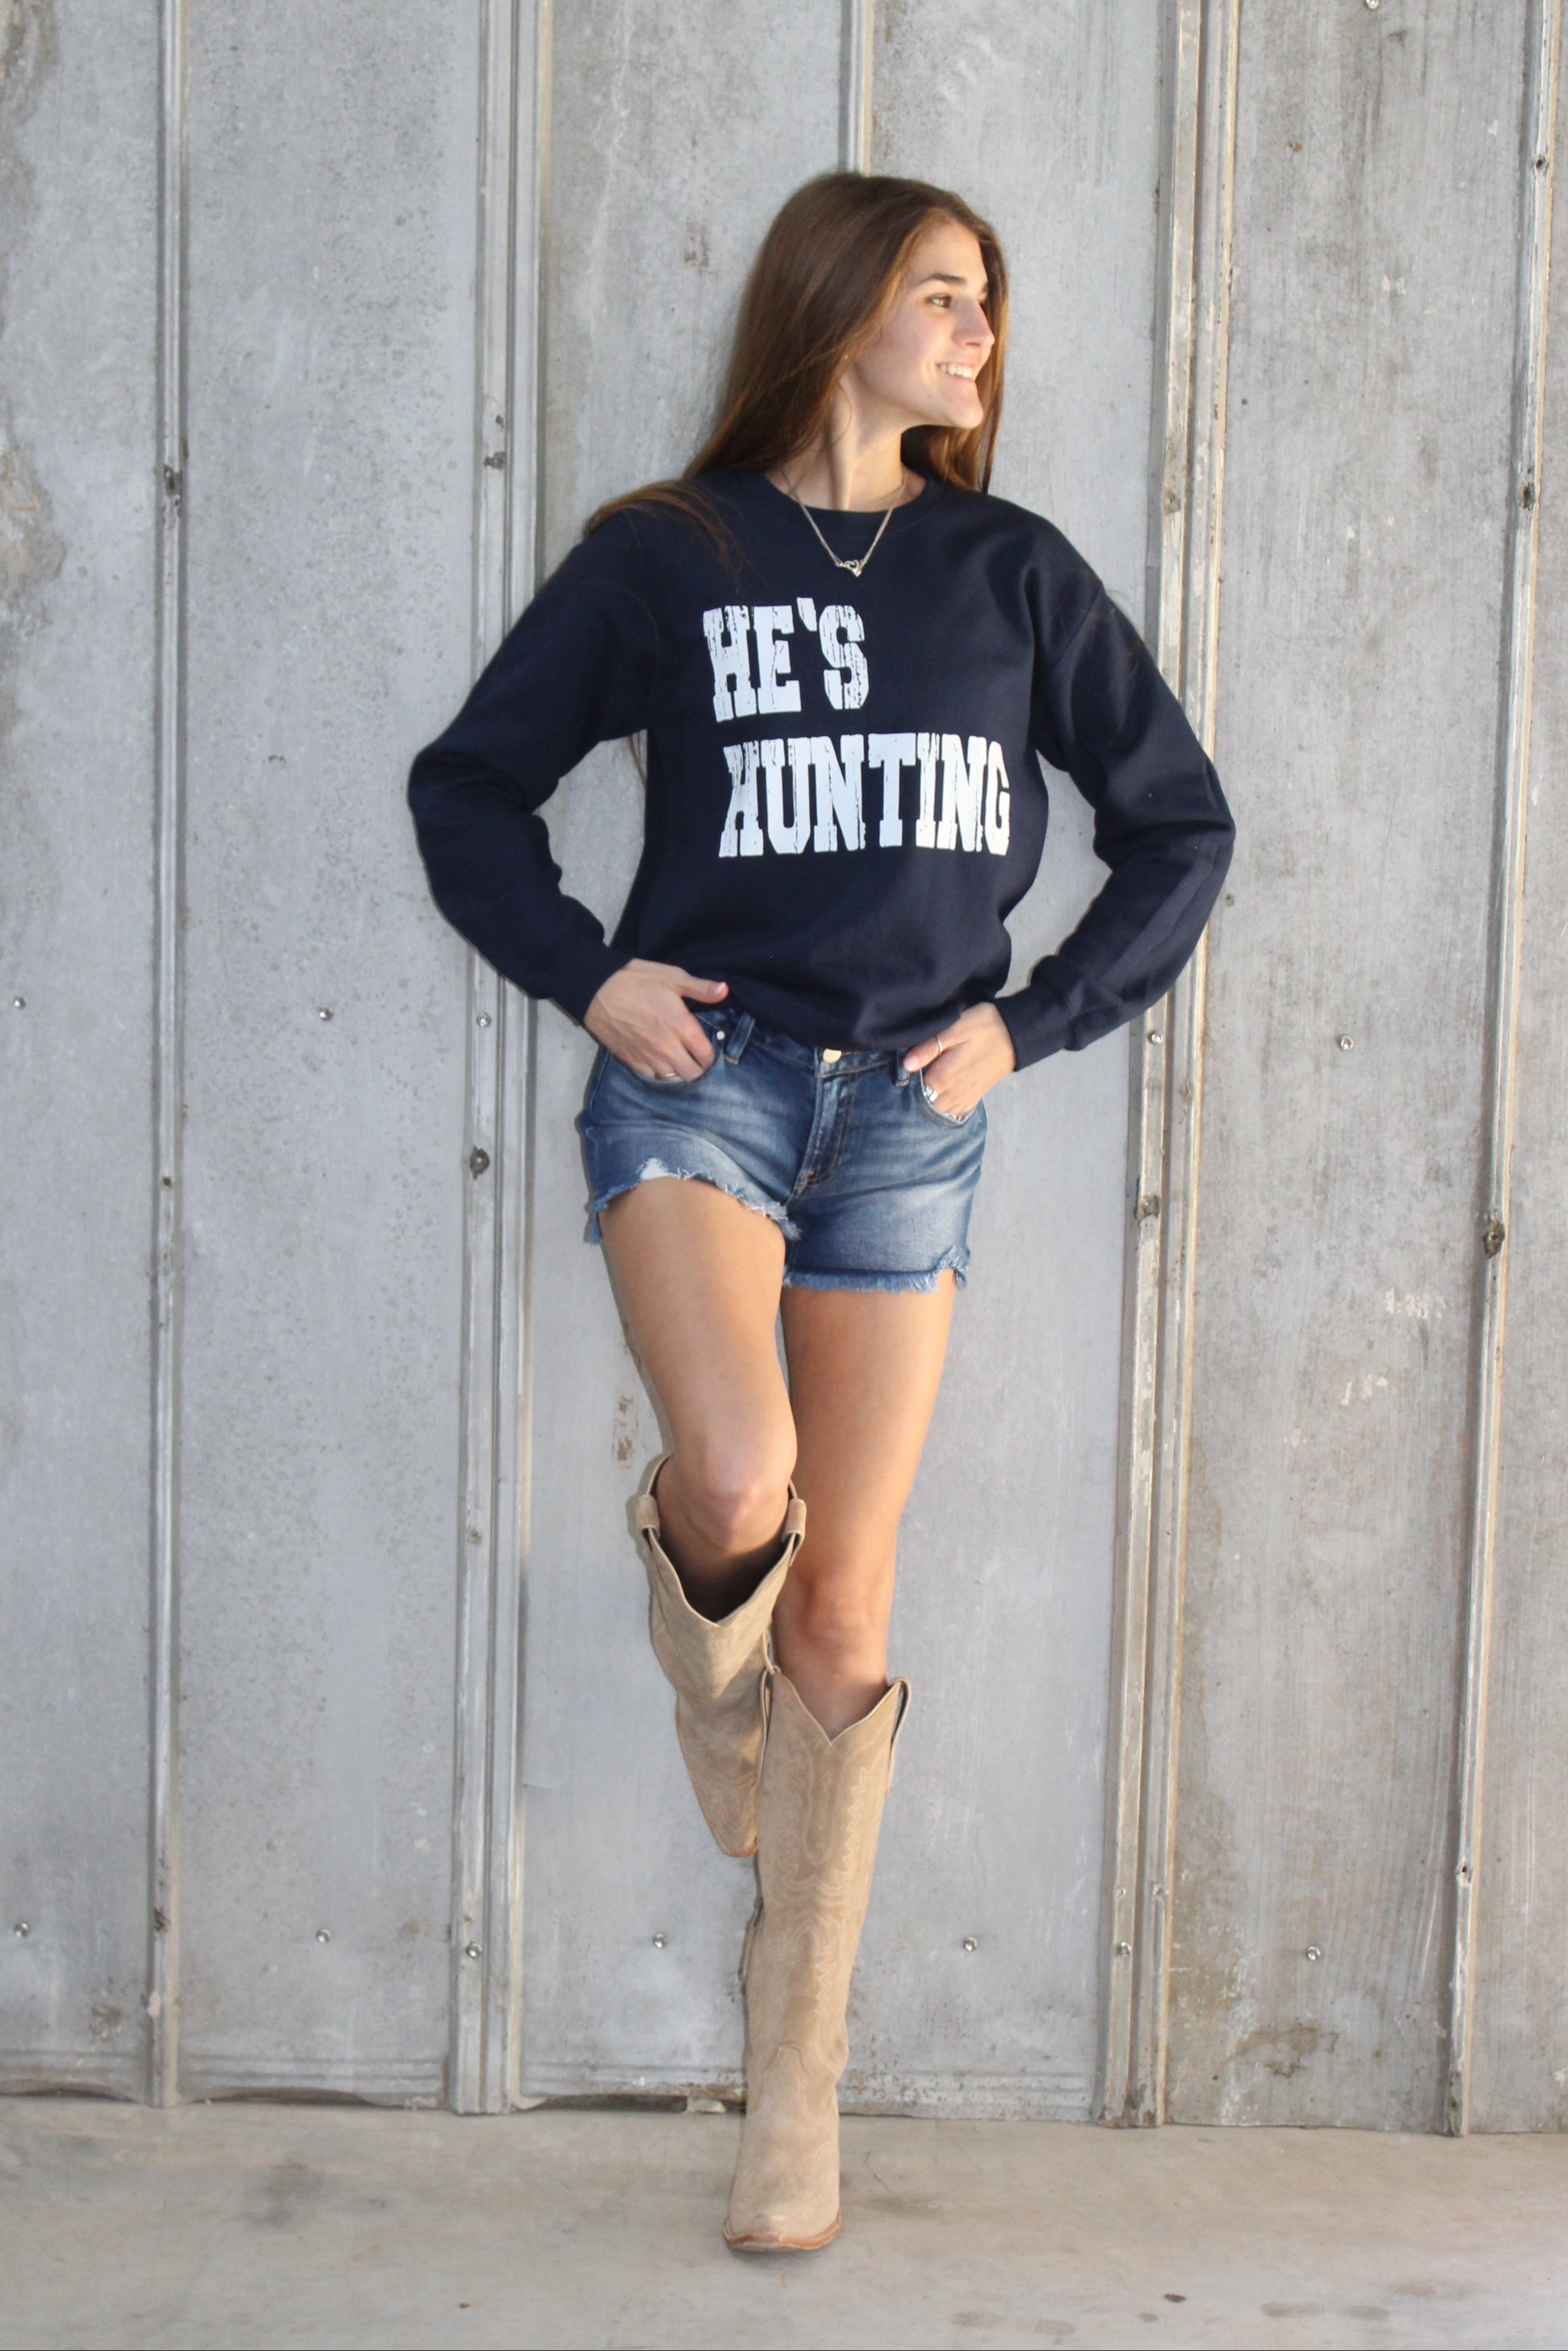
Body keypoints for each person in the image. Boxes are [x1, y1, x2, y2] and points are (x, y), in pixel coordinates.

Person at [408, 170, 1233, 2251]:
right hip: (709, 1081)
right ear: (837, 299)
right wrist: (585, 967)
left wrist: (1031, 1024)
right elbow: (468, 787)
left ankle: (795, 2086)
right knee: (736, 1463)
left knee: (847, 1615)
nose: (977, 338)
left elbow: (1177, 827)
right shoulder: (665, 558)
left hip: (909, 1121)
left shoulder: (1008, 570)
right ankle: (737, 1728)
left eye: (988, 310)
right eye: (944, 297)